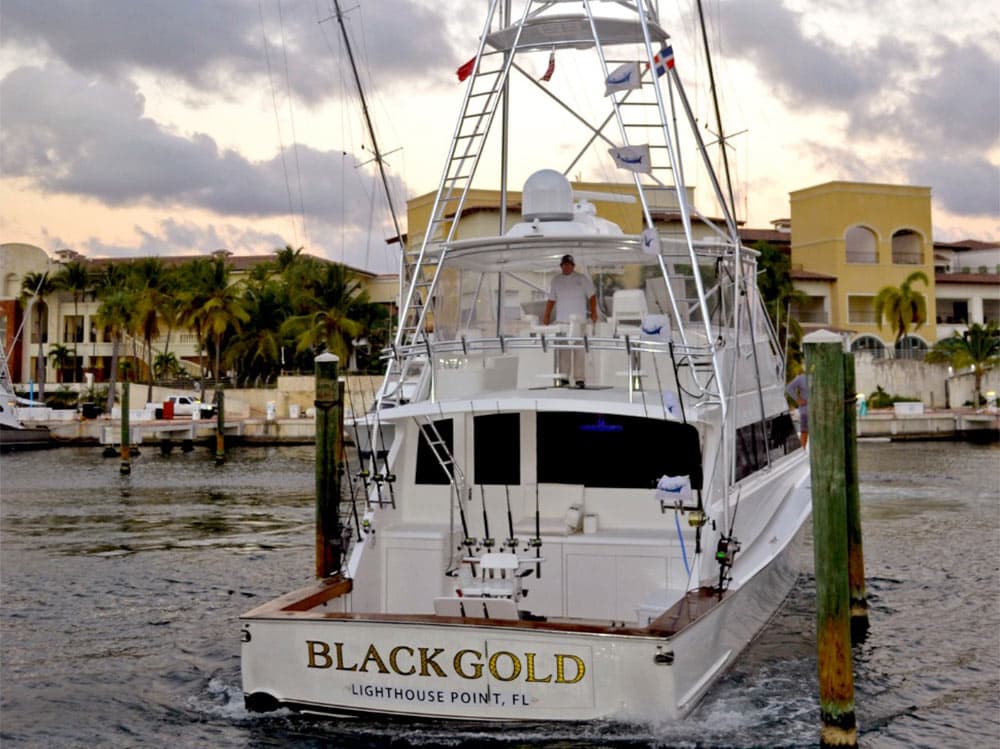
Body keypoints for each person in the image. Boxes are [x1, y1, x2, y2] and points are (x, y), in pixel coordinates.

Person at [542, 254, 597, 388]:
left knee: (579, 350)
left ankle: (579, 379)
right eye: (564, 264)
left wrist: (594, 313)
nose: (567, 267)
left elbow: (592, 296)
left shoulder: (582, 279)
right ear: (561, 266)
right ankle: (564, 377)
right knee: (563, 350)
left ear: (573, 266)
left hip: (579, 321)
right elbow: (551, 300)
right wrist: (546, 316)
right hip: (562, 321)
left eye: (569, 264)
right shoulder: (556, 280)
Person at [785, 372, 809, 448]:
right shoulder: (801, 378)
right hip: (806, 412)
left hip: (820, 410)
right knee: (804, 434)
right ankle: (804, 452)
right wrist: (798, 399)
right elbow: (789, 388)